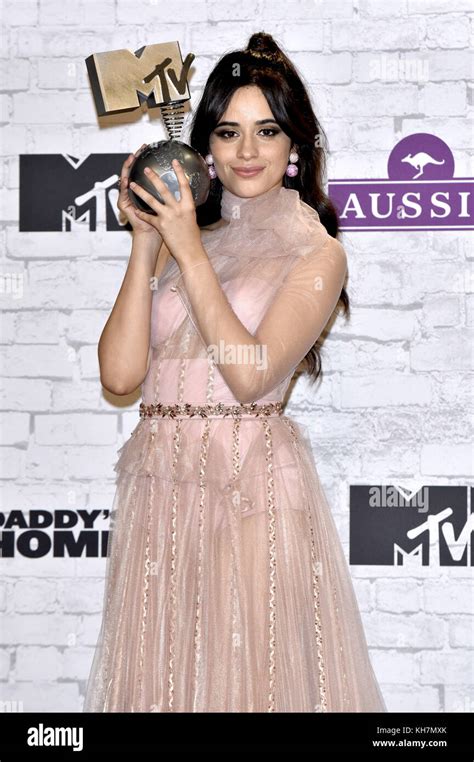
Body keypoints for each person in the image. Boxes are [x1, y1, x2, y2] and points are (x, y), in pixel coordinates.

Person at [83, 32, 386, 713]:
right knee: (163, 687)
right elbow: (121, 374)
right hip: (161, 487)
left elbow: (250, 376)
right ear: (206, 149)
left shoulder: (316, 252)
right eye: (228, 132)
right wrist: (146, 244)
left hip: (249, 485)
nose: (247, 151)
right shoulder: (188, 240)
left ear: (295, 147)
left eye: (267, 131)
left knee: (250, 691)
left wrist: (187, 253)